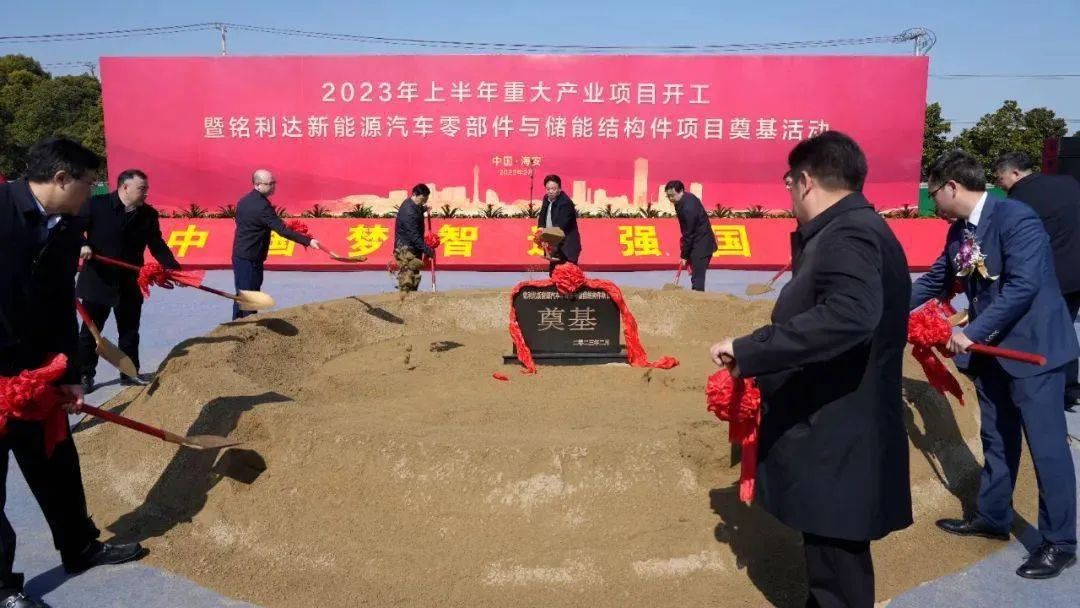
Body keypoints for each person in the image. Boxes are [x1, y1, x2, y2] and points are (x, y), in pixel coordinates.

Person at [711, 131, 912, 608]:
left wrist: (751, 349)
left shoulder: (848, 234)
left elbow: (849, 315)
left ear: (804, 181)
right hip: (838, 426)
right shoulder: (856, 228)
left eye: (788, 183)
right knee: (828, 565)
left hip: (839, 430)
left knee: (838, 571)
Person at [913, 150, 1078, 579]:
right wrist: (883, 309)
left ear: (951, 186)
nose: (931, 202)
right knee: (997, 438)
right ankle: (993, 516)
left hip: (1033, 351)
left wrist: (973, 331)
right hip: (991, 356)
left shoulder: (1016, 218)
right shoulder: (959, 232)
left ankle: (1060, 542)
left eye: (933, 192)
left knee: (1047, 449)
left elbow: (1024, 285)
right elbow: (937, 280)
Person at [0, 138, 145, 608]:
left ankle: (79, 546)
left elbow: (61, 299)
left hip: (39, 372)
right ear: (61, 179)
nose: (93, 193)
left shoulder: (69, 225)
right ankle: (3, 586)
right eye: (88, 184)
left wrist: (67, 373)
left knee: (58, 463)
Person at [76, 169, 181, 392]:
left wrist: (173, 268)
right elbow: (71, 229)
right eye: (142, 189)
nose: (146, 193)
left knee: (130, 330)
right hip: (99, 280)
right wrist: (82, 245)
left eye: (147, 188)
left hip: (130, 281)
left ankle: (129, 373)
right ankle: (85, 374)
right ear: (125, 187)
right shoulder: (97, 205)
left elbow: (157, 244)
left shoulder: (148, 214)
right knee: (90, 331)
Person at [993, 151, 1080, 408]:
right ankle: (1070, 387)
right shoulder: (1068, 183)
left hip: (1054, 275)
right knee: (1066, 328)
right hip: (1076, 272)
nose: (999, 184)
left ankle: (1051, 389)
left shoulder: (1018, 200)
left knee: (1045, 333)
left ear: (1015, 173)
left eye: (1000, 178)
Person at [231, 169, 320, 319]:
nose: (273, 186)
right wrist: (308, 241)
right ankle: (248, 327)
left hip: (241, 254)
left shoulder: (244, 201)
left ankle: (237, 323)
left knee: (242, 294)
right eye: (269, 183)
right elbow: (282, 230)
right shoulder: (261, 206)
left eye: (274, 182)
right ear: (257, 185)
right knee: (250, 297)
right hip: (250, 258)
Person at [666, 180, 717, 291]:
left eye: (672, 195)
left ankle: (698, 299)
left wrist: (684, 255)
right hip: (696, 241)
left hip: (702, 244)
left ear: (681, 191)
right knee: (696, 275)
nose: (670, 198)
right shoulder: (683, 200)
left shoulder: (688, 207)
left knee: (697, 277)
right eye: (668, 196)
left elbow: (689, 233)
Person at [392, 184, 435, 292]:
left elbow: (417, 210)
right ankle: (405, 298)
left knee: (414, 277)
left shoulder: (412, 204)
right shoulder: (409, 212)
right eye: (422, 199)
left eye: (426, 200)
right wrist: (427, 250)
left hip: (412, 249)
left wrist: (424, 209)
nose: (424, 202)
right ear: (415, 194)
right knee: (408, 279)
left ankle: (411, 298)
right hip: (406, 250)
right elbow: (414, 236)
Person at [536, 174, 581, 273]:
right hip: (553, 243)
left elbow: (560, 227)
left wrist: (545, 236)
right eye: (548, 189)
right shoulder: (546, 198)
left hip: (566, 246)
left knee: (569, 275)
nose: (550, 191)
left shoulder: (566, 203)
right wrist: (540, 230)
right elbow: (542, 216)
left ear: (559, 189)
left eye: (553, 188)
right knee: (553, 274)